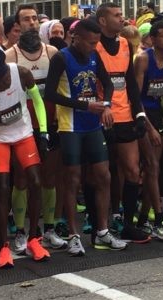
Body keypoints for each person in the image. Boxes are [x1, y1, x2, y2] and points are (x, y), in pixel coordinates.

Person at [44, 17, 127, 254]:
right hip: (70, 126)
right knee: (72, 179)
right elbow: (50, 94)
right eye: (90, 42)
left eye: (96, 43)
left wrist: (106, 105)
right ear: (76, 38)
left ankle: (102, 231)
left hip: (92, 124)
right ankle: (73, 234)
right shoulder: (61, 58)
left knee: (104, 176)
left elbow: (108, 84)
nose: (94, 47)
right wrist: (84, 106)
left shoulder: (94, 55)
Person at [0, 47, 50, 267]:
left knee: (35, 181)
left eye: (1, 79)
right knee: (2, 188)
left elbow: (38, 101)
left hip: (24, 135)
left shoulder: (22, 73)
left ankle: (34, 238)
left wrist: (43, 131)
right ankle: (4, 247)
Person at [6, 5, 67, 254]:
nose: (31, 23)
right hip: (22, 127)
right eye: (26, 19)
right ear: (17, 25)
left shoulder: (52, 52)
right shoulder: (10, 56)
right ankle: (21, 231)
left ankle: (49, 229)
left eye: (34, 18)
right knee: (22, 179)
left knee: (50, 177)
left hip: (50, 124)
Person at [96, 3, 152, 244]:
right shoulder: (93, 45)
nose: (122, 18)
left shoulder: (126, 45)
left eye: (121, 14)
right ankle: (100, 225)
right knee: (102, 174)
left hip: (125, 115)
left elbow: (130, 82)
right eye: (116, 15)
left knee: (132, 170)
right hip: (101, 117)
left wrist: (139, 114)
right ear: (102, 20)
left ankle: (128, 224)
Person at [134, 17, 163, 240]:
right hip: (141, 115)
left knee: (154, 169)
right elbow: (135, 98)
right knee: (151, 165)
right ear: (152, 38)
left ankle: (143, 219)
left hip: (158, 114)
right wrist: (149, 128)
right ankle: (160, 219)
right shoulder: (143, 59)